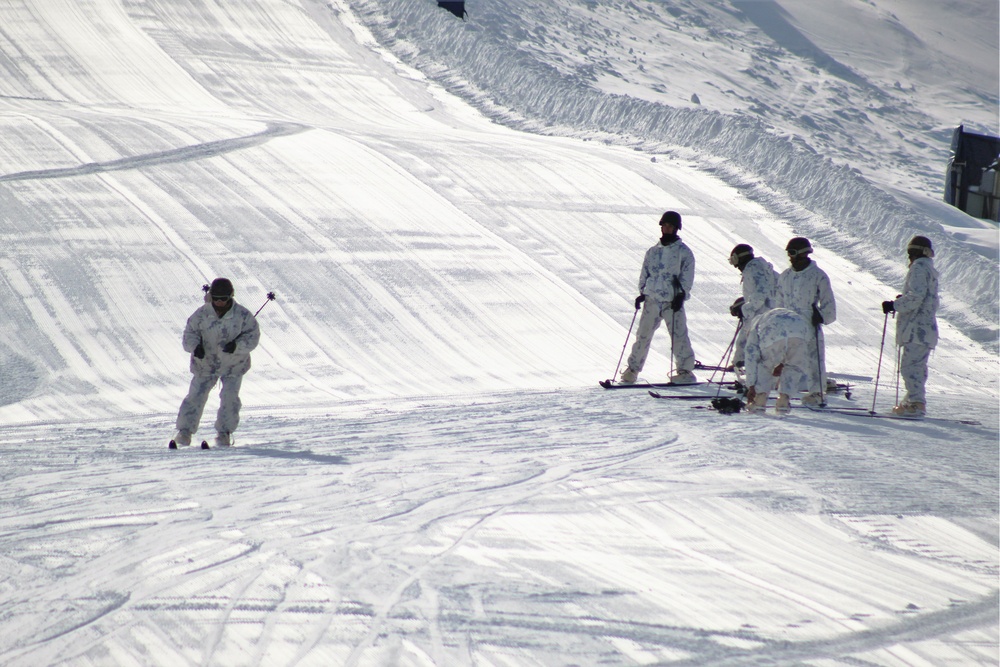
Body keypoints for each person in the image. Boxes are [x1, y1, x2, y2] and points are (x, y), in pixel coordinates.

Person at [170, 278, 261, 448]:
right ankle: (184, 433)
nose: (219, 302)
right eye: (216, 298)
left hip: (233, 365)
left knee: (230, 398)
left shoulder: (242, 315)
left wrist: (237, 346)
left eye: (224, 298)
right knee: (195, 397)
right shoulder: (201, 314)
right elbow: (190, 334)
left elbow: (253, 337)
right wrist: (195, 347)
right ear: (211, 296)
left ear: (230, 297)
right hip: (205, 364)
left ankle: (224, 434)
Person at [620, 211, 697, 384]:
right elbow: (645, 272)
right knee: (643, 335)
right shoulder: (653, 251)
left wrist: (681, 294)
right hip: (652, 300)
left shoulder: (684, 253)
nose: (667, 229)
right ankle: (632, 370)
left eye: (671, 226)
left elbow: (687, 276)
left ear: (677, 229)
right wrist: (642, 292)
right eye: (665, 225)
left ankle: (685, 372)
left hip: (672, 301)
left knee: (679, 335)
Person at [882, 236, 939, 416]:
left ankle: (916, 403)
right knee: (917, 366)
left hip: (916, 328)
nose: (909, 257)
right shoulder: (928, 268)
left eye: (910, 253)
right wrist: (902, 299)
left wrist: (894, 305)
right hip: (924, 328)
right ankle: (911, 401)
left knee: (909, 367)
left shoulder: (919, 268)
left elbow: (916, 297)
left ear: (915, 252)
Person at [777, 237, 836, 405]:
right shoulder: (785, 277)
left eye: (794, 254)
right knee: (788, 360)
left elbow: (829, 305)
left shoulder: (818, 276)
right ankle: (785, 394)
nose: (792, 258)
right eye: (789, 254)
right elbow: (778, 304)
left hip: (809, 325)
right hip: (788, 326)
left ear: (804, 254)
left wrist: (822, 316)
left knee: (814, 360)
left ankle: (816, 393)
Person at [743, 308, 813, 414]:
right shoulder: (765, 318)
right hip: (799, 329)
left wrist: (751, 385)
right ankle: (784, 401)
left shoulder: (755, 327)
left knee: (765, 365)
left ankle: (759, 400)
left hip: (773, 330)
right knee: (794, 366)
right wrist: (781, 364)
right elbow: (787, 344)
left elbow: (751, 358)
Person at [727, 243, 779, 377]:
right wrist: (742, 303)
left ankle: (747, 364)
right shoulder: (758, 268)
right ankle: (739, 361)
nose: (734, 265)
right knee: (745, 336)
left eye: (734, 260)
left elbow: (760, 294)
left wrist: (745, 308)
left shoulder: (753, 269)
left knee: (752, 340)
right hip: (762, 311)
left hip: (761, 313)